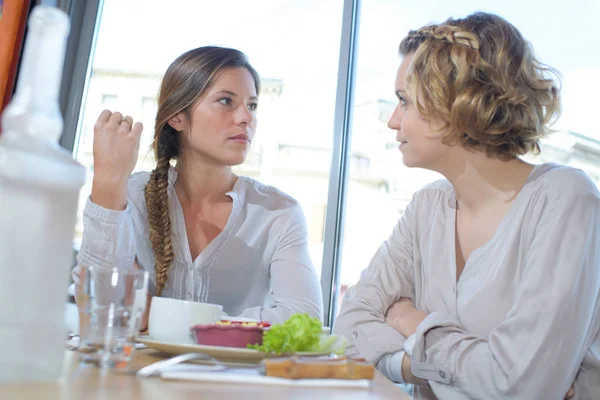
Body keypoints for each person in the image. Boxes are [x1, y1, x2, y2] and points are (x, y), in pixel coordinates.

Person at [333, 11, 600, 400]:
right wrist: (447, 369)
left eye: (404, 102)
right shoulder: (427, 207)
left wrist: (412, 322)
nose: (393, 121)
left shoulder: (565, 198)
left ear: (458, 103)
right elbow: (348, 328)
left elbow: (521, 387)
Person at [74, 46, 323, 325]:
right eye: (227, 101)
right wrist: (108, 182)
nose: (246, 118)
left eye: (251, 105)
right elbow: (99, 308)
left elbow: (304, 318)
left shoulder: (278, 213)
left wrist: (162, 317)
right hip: (134, 370)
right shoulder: (130, 196)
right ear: (177, 116)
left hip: (234, 370)